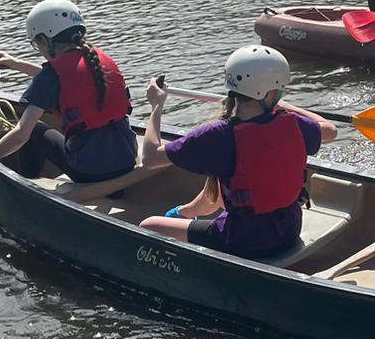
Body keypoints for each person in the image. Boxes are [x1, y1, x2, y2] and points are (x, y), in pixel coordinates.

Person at [136, 46, 338, 258]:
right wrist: (287, 107)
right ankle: (185, 213)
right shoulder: (295, 124)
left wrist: (156, 106)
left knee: (149, 225)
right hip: (288, 232)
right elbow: (330, 130)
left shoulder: (217, 135)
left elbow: (150, 158)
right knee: (229, 190)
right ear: (270, 93)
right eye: (279, 89)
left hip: (243, 242)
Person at [0, 0, 138, 185]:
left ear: (45, 40)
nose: (39, 49)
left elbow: (21, 134)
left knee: (34, 130)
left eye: (37, 43)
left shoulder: (52, 76)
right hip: (127, 159)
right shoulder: (96, 60)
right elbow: (62, 80)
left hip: (89, 172)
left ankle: (28, 184)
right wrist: (15, 64)